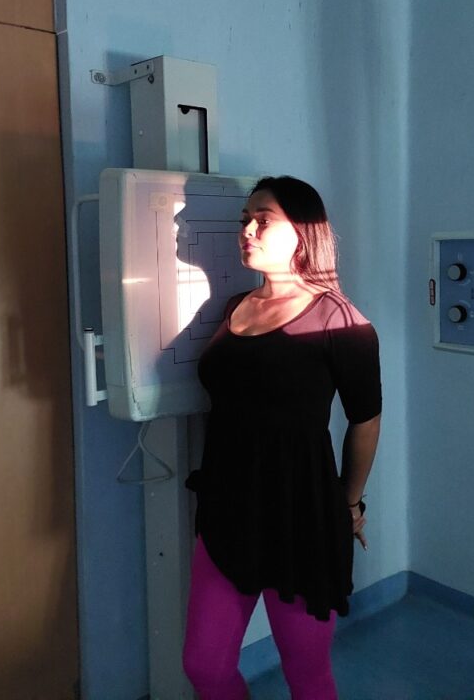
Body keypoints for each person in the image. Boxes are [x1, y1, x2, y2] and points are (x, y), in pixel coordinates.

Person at [182, 175, 382, 699]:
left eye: (263, 220)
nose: (247, 230)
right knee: (204, 666)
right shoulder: (235, 307)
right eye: (245, 220)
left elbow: (365, 419)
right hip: (227, 507)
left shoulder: (342, 322)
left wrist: (350, 503)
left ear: (304, 231)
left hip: (301, 516)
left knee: (306, 672)